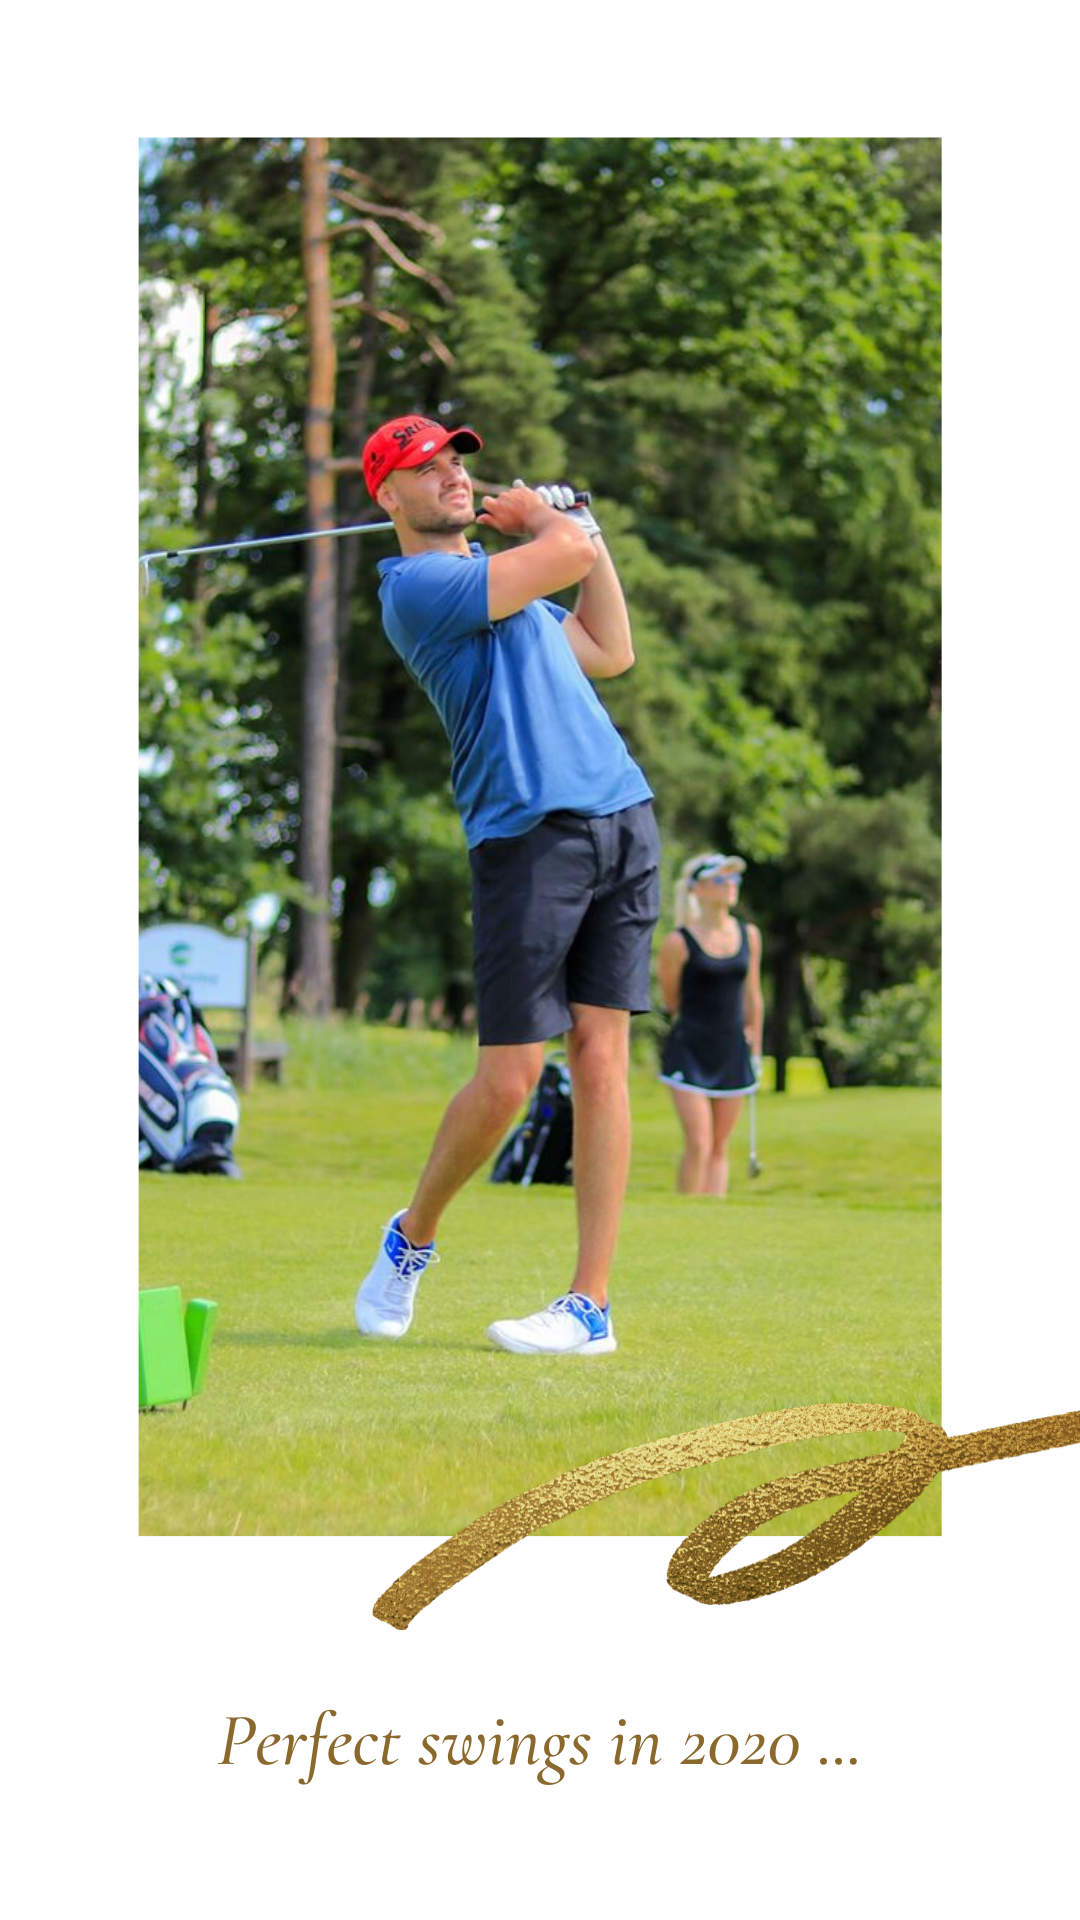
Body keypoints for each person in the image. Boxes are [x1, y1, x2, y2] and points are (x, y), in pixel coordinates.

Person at [354, 415, 660, 1355]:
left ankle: (590, 1305)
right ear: (388, 495)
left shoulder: (511, 595)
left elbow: (610, 647)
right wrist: (552, 523)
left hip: (620, 815)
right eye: (426, 468)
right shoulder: (420, 588)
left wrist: (581, 532)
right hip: (526, 837)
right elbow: (561, 557)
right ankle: (412, 1238)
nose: (451, 474)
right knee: (511, 1077)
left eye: (456, 462)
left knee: (601, 1059)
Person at [657, 852, 764, 1195]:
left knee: (719, 1145)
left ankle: (712, 1214)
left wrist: (756, 1051)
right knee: (699, 1142)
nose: (730, 885)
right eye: (720, 879)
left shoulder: (749, 935)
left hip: (731, 1049)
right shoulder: (678, 942)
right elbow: (672, 1000)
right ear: (697, 889)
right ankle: (686, 1213)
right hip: (689, 1049)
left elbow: (753, 996)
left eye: (734, 878)